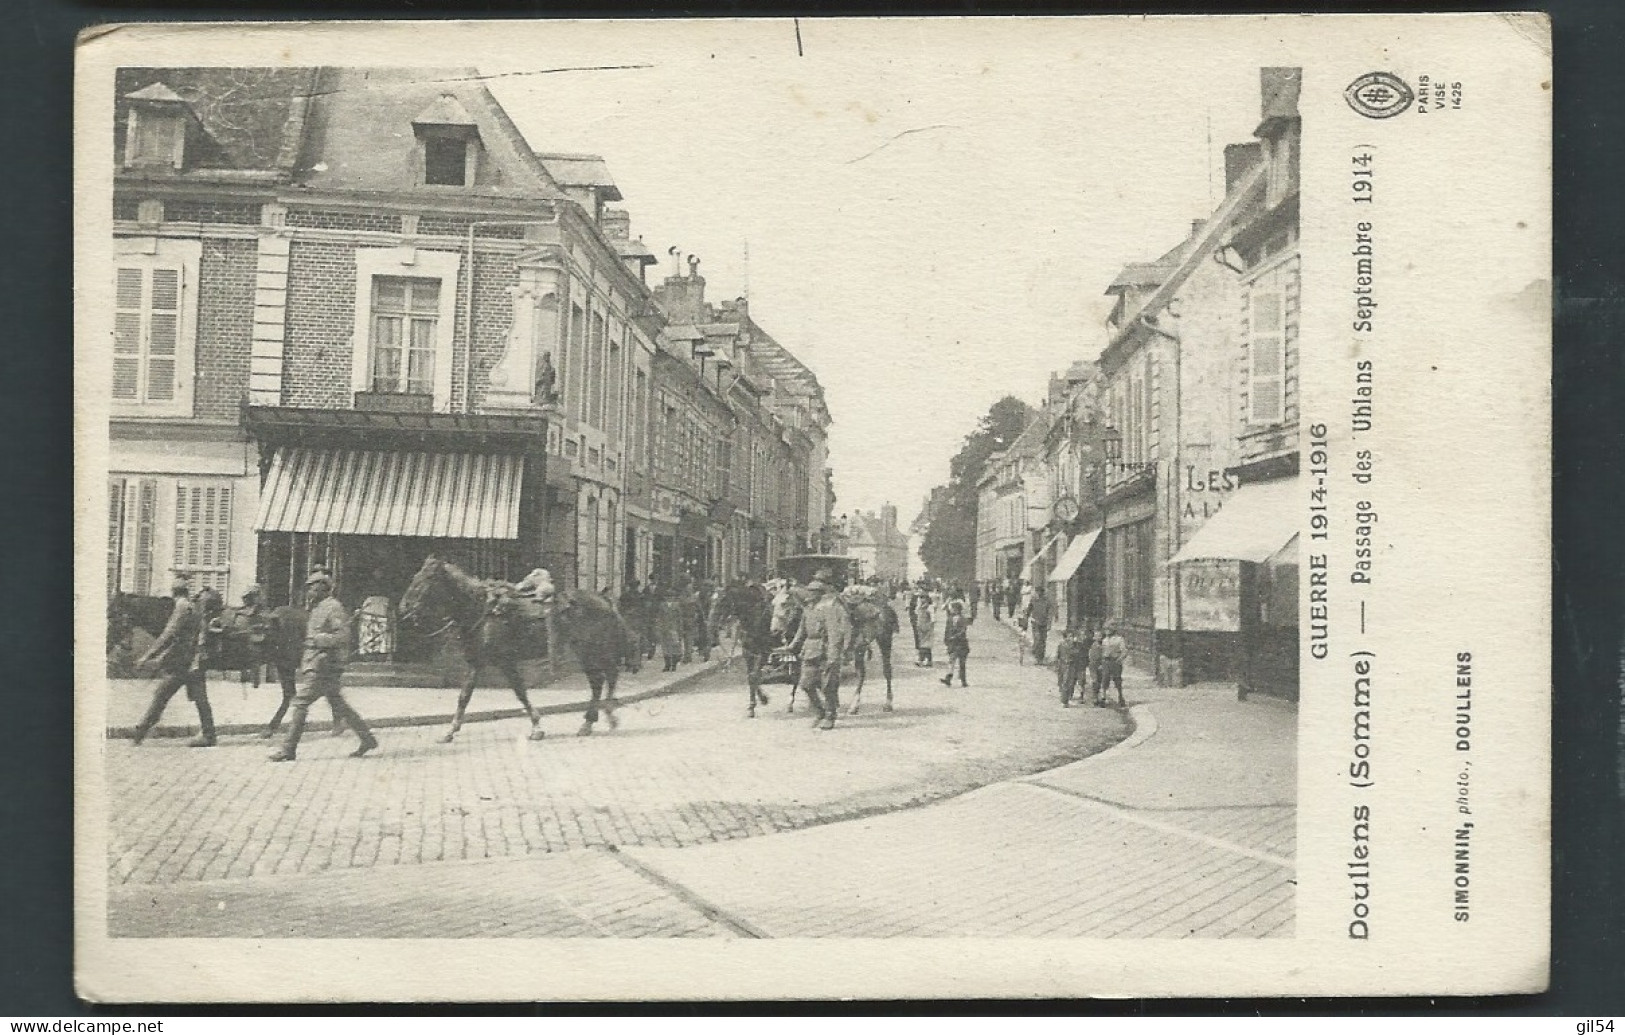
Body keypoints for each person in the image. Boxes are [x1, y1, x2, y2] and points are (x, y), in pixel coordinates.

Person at [268, 570, 378, 762]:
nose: (309, 591)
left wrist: (320, 639)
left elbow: (343, 636)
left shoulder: (333, 608)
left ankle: (288, 749)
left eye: (313, 587)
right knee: (338, 704)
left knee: (301, 702)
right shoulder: (318, 608)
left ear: (323, 588)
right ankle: (367, 739)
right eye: (309, 587)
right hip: (315, 662)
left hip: (324, 664)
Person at [131, 577, 215, 747]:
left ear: (174, 593)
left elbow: (168, 634)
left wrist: (147, 656)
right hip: (194, 662)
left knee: (161, 694)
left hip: (181, 662)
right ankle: (209, 734)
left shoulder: (182, 607)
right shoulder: (195, 607)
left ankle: (141, 732)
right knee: (200, 699)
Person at [789, 571, 851, 730]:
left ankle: (830, 715)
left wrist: (833, 655)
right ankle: (820, 710)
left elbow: (834, 633)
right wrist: (792, 645)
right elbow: (801, 630)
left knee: (828, 685)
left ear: (821, 593)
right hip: (809, 649)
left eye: (813, 592)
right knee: (805, 684)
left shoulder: (829, 608)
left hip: (825, 649)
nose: (809, 594)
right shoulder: (808, 608)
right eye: (809, 591)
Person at [940, 599, 971, 688]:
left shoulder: (963, 619)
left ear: (957, 609)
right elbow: (947, 630)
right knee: (951, 660)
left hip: (961, 643)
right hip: (952, 644)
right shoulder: (949, 619)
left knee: (962, 663)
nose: (950, 610)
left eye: (952, 608)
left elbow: (963, 631)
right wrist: (946, 639)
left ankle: (963, 680)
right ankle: (948, 678)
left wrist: (955, 636)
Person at [1056, 626, 1089, 707]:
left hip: (1071, 665)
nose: (1072, 638)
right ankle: (1064, 700)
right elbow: (1058, 655)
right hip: (1063, 665)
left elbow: (1078, 653)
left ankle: (1065, 700)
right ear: (1066, 637)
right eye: (1070, 636)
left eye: (1072, 636)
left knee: (1069, 683)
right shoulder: (1062, 644)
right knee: (1064, 682)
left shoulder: (1076, 645)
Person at [1098, 621, 1128, 708]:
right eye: (1105, 629)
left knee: (1117, 680)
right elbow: (1102, 652)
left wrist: (1120, 659)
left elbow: (1124, 651)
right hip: (1106, 662)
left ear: (1113, 630)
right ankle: (1103, 697)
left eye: (1108, 629)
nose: (1107, 631)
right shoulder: (1104, 640)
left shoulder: (1119, 639)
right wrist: (1101, 662)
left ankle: (1120, 697)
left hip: (1115, 662)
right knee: (1105, 679)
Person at [1026, 585, 1053, 664]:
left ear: (1042, 592)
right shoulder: (1033, 600)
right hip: (1035, 622)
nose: (1038, 593)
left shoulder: (1047, 601)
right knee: (1037, 639)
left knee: (1043, 641)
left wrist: (1049, 624)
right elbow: (1029, 610)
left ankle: (1041, 658)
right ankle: (1038, 657)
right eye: (1037, 592)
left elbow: (1050, 613)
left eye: (1039, 592)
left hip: (1044, 623)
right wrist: (1025, 618)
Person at [913, 590, 936, 667]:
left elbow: (933, 619)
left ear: (927, 599)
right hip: (920, 627)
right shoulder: (919, 607)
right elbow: (916, 613)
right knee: (922, 644)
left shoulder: (930, 607)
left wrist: (930, 627)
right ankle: (928, 660)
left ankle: (921, 660)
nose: (922, 600)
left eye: (923, 598)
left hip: (927, 628)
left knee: (925, 645)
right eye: (920, 598)